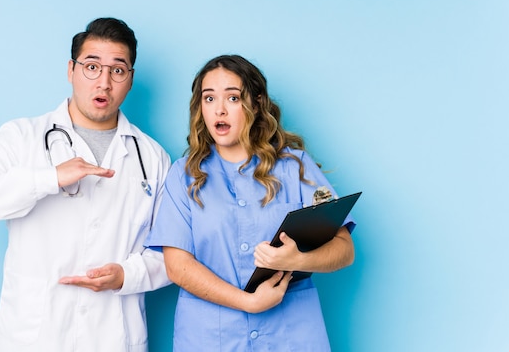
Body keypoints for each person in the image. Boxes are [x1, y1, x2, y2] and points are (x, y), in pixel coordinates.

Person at [0, 17, 171, 352]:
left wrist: (127, 275)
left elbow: (172, 253)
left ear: (130, 79)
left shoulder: (152, 158)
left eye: (117, 70)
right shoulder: (23, 138)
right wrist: (47, 179)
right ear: (71, 70)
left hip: (112, 337)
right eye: (92, 66)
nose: (104, 82)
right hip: (35, 338)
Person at [145, 54, 356, 351]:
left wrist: (299, 260)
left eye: (233, 98)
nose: (219, 109)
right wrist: (248, 302)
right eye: (209, 98)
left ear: (256, 104)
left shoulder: (295, 167)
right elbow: (177, 266)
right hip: (211, 337)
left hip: (291, 334)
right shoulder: (184, 175)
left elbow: (344, 249)